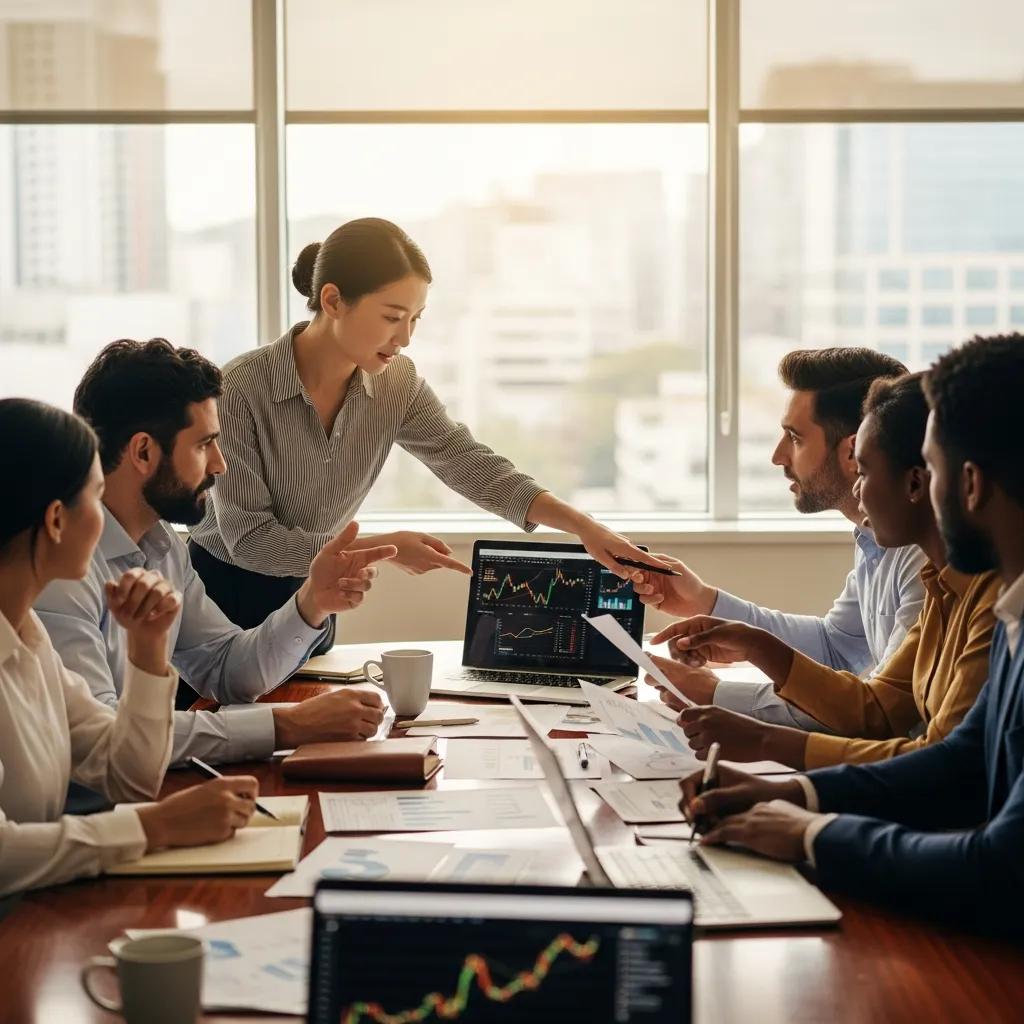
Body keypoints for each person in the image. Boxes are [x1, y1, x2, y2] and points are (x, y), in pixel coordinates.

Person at [677, 335, 1024, 937]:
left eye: (932, 468)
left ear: (963, 485)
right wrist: (797, 793)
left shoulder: (990, 603)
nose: (862, 493)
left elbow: (1000, 864)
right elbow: (960, 758)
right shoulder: (972, 593)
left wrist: (812, 832)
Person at [188, 217, 668, 633]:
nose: (406, 338)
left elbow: (469, 462)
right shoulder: (240, 389)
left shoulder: (396, 384)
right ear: (332, 300)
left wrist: (583, 528)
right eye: (392, 317)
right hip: (223, 598)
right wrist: (389, 547)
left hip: (319, 592)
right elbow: (250, 542)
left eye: (416, 318)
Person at [35, 340, 395, 767]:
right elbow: (101, 740)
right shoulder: (59, 566)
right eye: (205, 444)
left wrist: (312, 601)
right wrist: (288, 725)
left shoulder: (163, 545)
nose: (221, 465)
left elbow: (227, 669)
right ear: (144, 452)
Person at [654, 374, 999, 769]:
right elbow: (867, 691)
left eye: (795, 437)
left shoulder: (974, 593)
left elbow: (940, 763)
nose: (778, 456)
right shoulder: (938, 582)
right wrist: (747, 638)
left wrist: (762, 738)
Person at [0, 398, 261, 896]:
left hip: (41, 912)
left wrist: (148, 650)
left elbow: (129, 778)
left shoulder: (28, 638)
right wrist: (155, 826)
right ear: (57, 521)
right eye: (96, 497)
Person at [633, 347, 926, 730]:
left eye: (794, 438)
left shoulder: (922, 557)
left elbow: (874, 711)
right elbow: (836, 648)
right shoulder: (873, 539)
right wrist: (706, 602)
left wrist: (716, 694)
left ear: (853, 450)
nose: (777, 456)